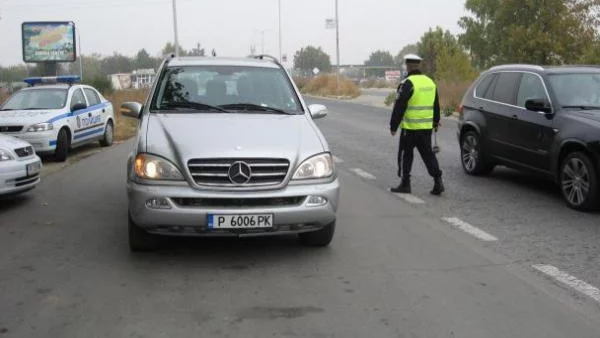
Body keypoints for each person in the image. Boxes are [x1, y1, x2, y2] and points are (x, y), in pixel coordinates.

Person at [389, 54, 444, 195]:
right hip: (426, 129)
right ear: (418, 66)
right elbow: (436, 105)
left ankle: (405, 184)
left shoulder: (407, 83)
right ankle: (438, 182)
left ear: (408, 66)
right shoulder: (430, 82)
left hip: (410, 129)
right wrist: (436, 122)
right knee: (429, 156)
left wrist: (393, 126)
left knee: (406, 155)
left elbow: (399, 106)